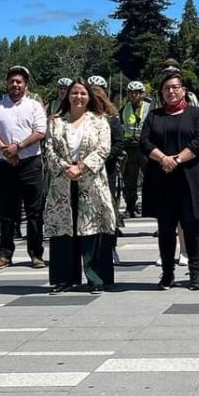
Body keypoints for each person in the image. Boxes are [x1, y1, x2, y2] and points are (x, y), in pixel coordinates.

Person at [140, 72, 199, 290]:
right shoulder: (154, 116)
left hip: (190, 179)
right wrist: (163, 158)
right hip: (162, 180)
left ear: (183, 90)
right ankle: (167, 274)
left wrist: (178, 159)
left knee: (192, 226)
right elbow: (145, 141)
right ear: (161, 93)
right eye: (166, 88)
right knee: (165, 228)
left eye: (175, 87)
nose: (171, 91)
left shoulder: (196, 114)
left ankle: (194, 272)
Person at [44, 78, 117, 294]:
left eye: (83, 93)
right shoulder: (56, 121)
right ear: (67, 95)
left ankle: (96, 278)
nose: (78, 97)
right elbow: (49, 149)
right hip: (62, 183)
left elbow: (104, 148)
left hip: (91, 182)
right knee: (63, 232)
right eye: (74, 93)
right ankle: (64, 279)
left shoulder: (99, 120)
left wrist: (82, 167)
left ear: (89, 97)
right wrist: (66, 167)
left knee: (93, 230)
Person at [0, 65, 48, 270]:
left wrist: (18, 147)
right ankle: (4, 254)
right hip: (5, 163)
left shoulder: (34, 106)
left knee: (34, 212)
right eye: (12, 81)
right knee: (7, 211)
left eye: (19, 82)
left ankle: (36, 254)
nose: (15, 85)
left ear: (26, 85)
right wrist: (5, 150)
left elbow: (40, 131)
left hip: (30, 163)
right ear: (7, 84)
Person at [88, 78, 126, 262]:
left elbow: (119, 144)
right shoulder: (82, 119)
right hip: (85, 171)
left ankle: (111, 247)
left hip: (107, 170)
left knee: (107, 208)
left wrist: (103, 158)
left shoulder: (112, 119)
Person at [121, 80, 151, 218]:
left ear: (142, 94)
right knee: (130, 179)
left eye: (137, 92)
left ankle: (149, 205)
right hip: (130, 148)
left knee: (150, 178)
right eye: (131, 93)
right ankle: (130, 206)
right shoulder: (124, 109)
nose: (134, 95)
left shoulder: (150, 107)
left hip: (145, 147)